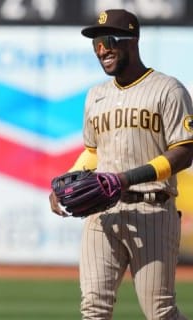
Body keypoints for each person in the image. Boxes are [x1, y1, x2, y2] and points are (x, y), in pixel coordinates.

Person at [49, 9, 193, 319]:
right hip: (103, 212)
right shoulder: (96, 96)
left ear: (132, 41)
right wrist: (66, 181)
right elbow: (92, 152)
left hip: (152, 209)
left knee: (160, 311)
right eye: (96, 44)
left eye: (109, 41)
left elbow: (184, 151)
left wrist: (128, 178)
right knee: (93, 309)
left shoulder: (169, 89)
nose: (102, 50)